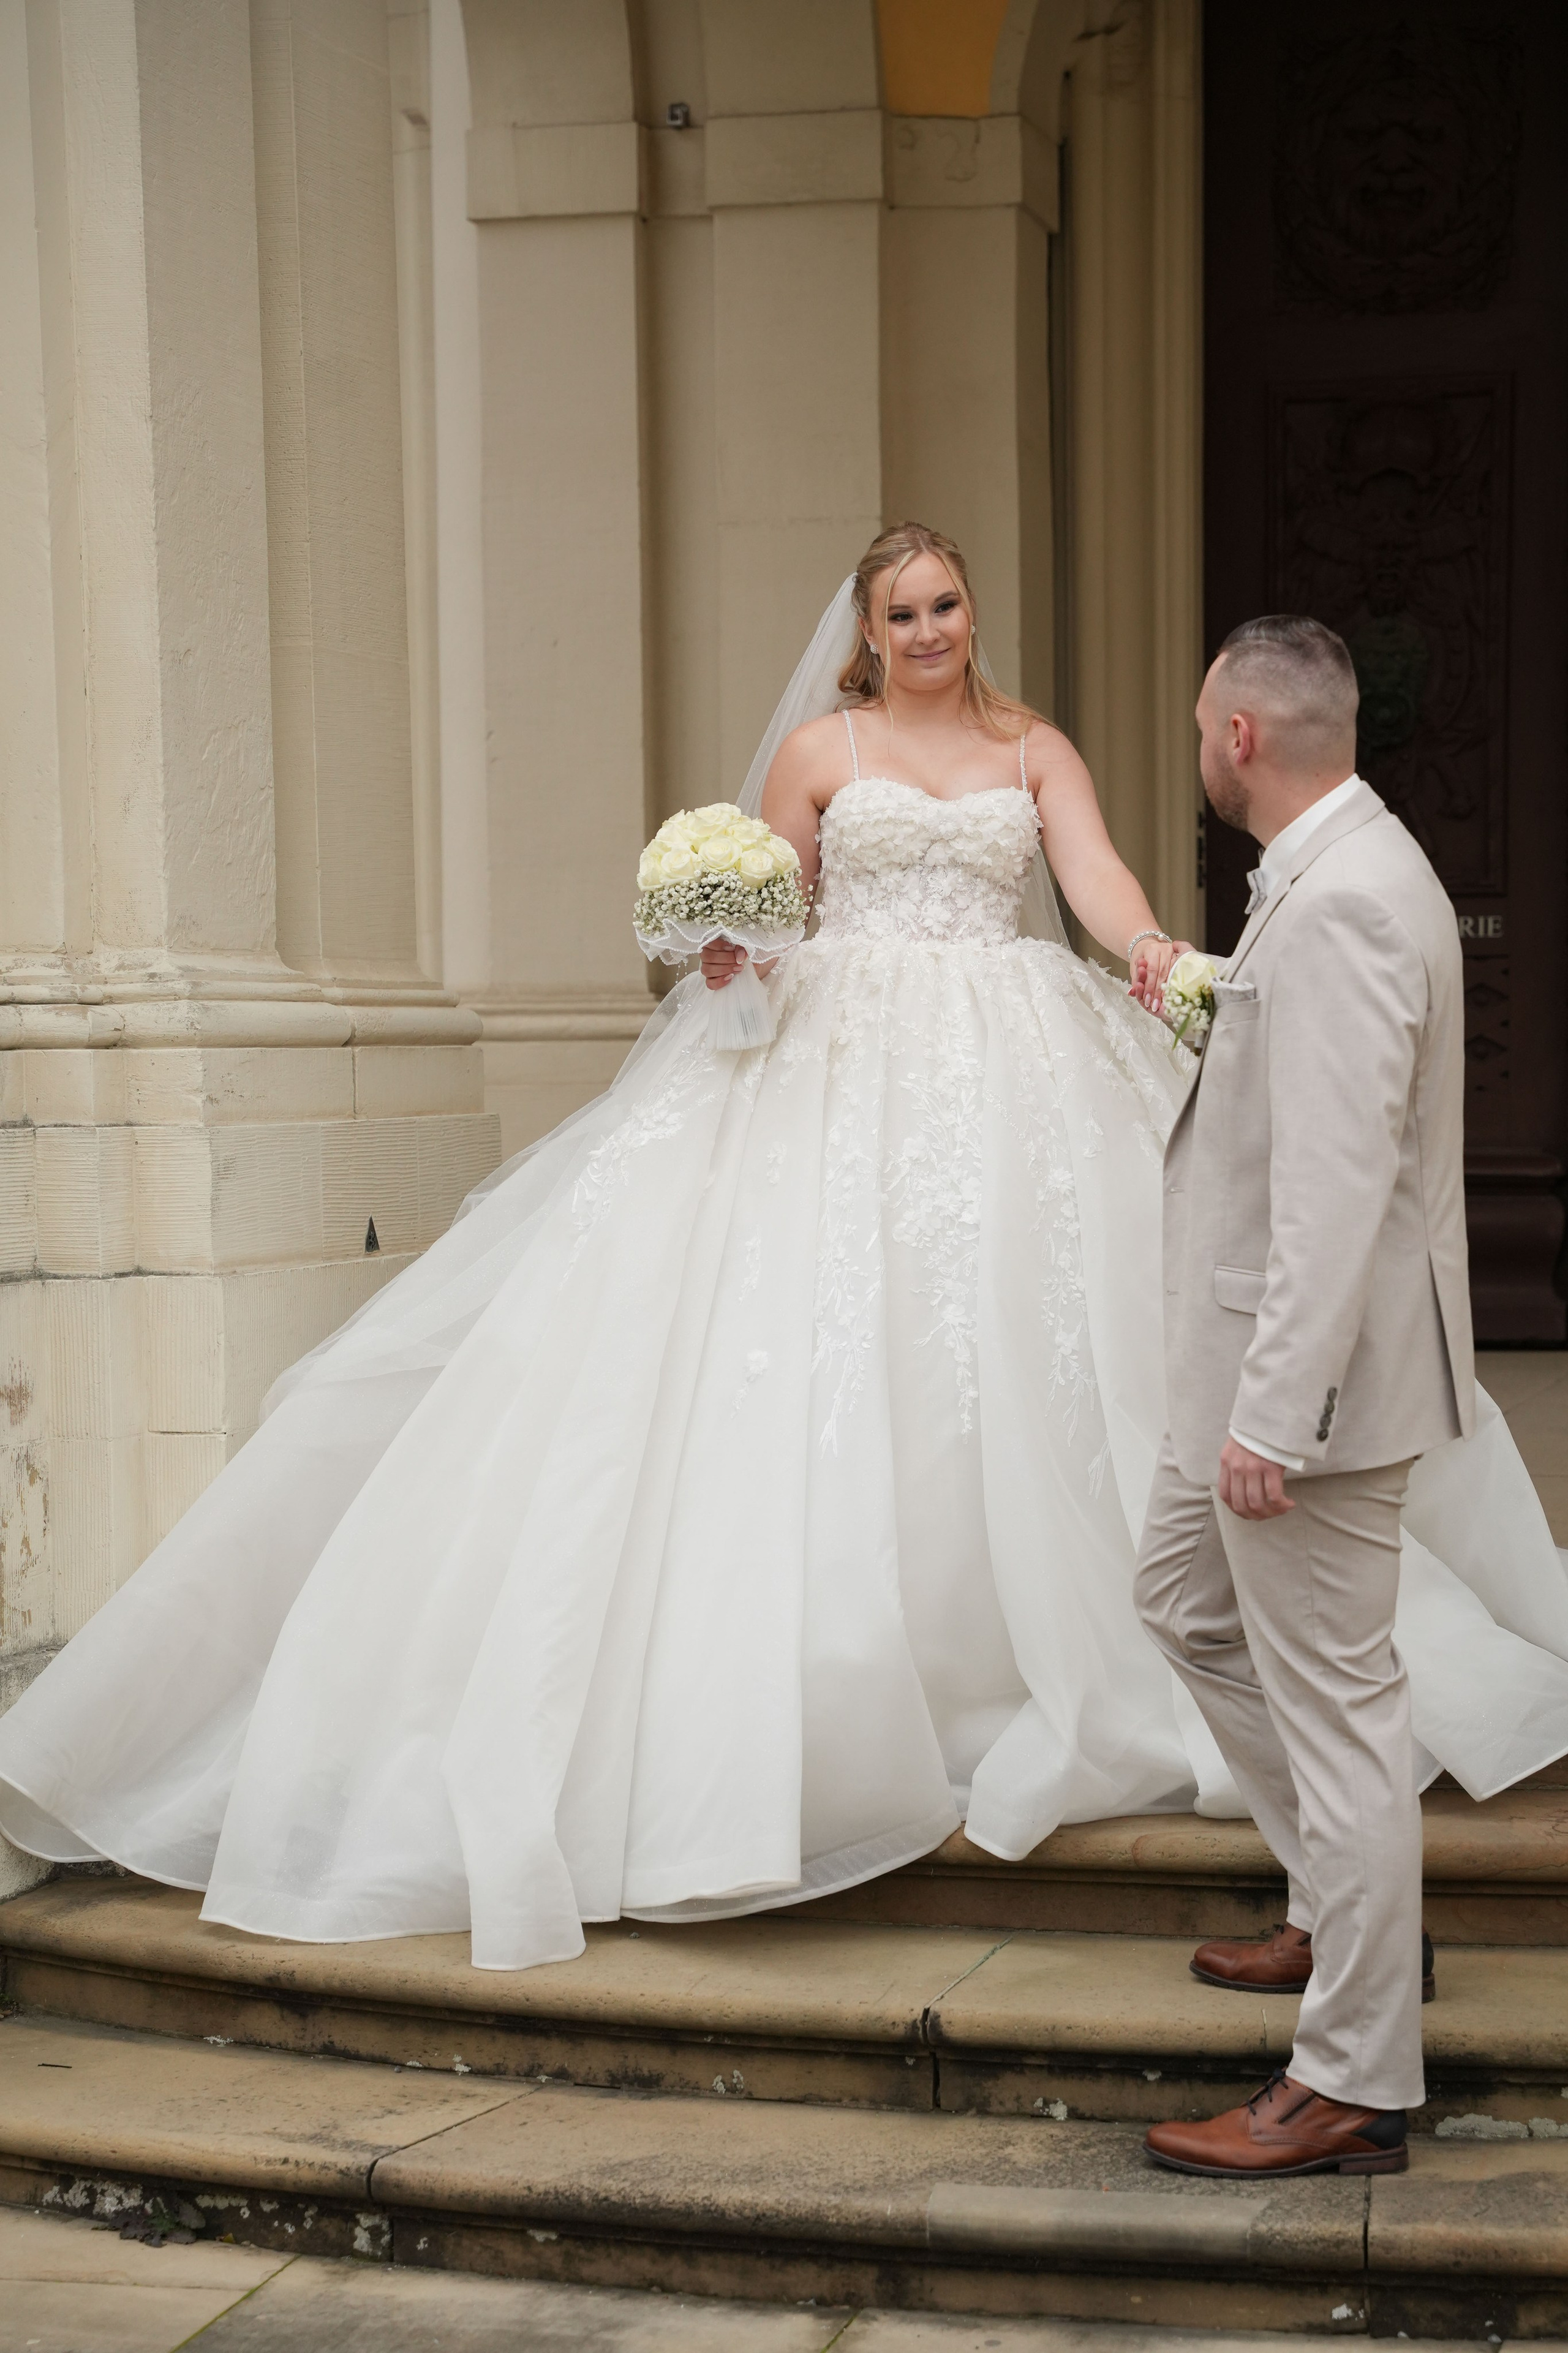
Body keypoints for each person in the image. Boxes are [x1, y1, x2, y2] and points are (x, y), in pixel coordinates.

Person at [1, 533, 1565, 1976]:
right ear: (865, 633)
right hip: (837, 1057)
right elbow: (777, 910)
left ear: (970, 614)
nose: (929, 629)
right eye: (902, 611)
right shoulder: (822, 752)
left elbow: (1089, 878)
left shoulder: (1035, 748)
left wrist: (1153, 956)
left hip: (1012, 1050)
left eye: (946, 604)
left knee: (1046, 1345)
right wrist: (726, 948)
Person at [1137, 616, 1476, 2179]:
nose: (1199, 747)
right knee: (1178, 1602)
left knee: (1341, 1719)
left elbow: (1337, 1187)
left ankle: (1348, 2075)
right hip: (1257, 1362)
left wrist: (1274, 1412)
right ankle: (1346, 1915)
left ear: (1239, 738)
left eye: (1200, 726)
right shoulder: (1336, 870)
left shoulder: (1341, 900)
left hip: (1306, 1394)